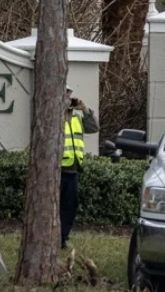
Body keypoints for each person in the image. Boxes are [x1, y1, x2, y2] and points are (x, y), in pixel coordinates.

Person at [61, 85, 99, 249]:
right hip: (58, 171)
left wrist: (84, 108)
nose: (68, 99)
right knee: (55, 207)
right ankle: (55, 238)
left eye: (69, 96)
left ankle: (62, 237)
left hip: (73, 171)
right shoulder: (52, 118)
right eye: (65, 96)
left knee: (71, 205)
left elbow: (93, 128)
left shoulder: (76, 118)